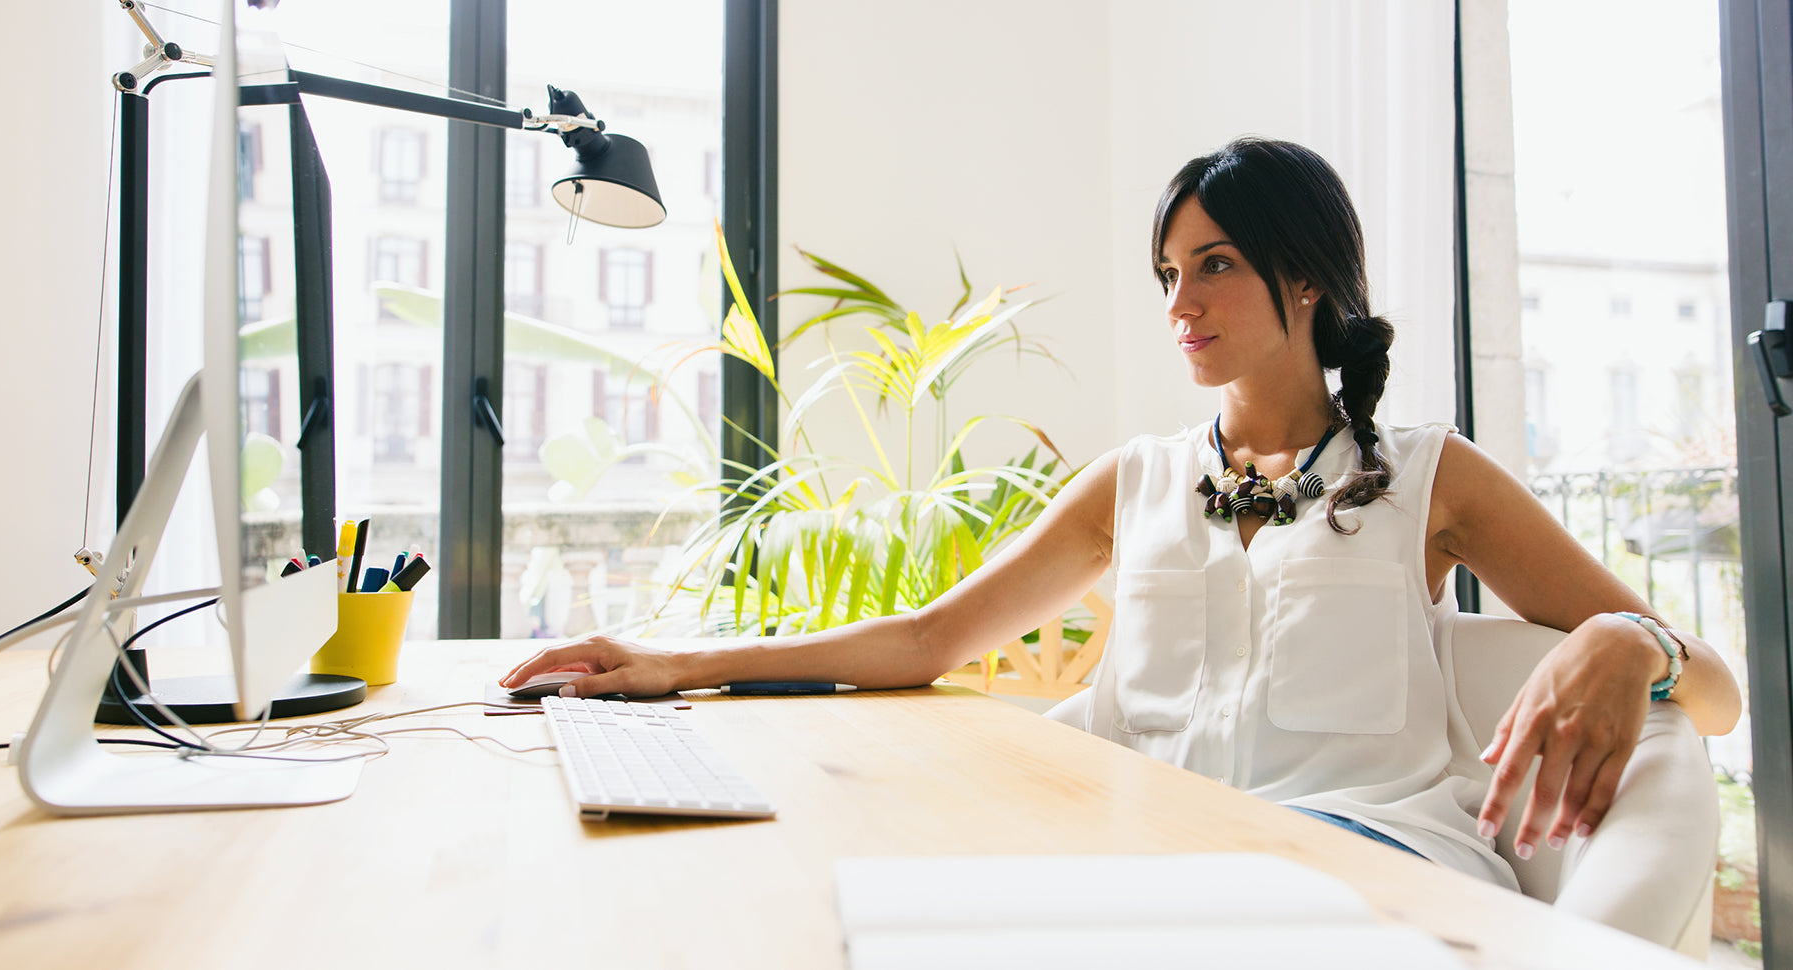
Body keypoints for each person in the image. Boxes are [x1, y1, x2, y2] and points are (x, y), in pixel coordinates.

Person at [502, 136, 1742, 888]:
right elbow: (927, 639)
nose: (1179, 301)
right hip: (1154, 865)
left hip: (1365, 867)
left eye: (1213, 265)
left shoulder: (1432, 479)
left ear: (1304, 277)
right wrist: (674, 660)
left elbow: (1721, 697)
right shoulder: (1134, 480)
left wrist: (1628, 640)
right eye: (1168, 273)